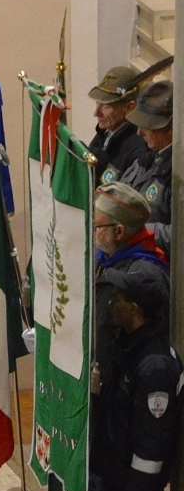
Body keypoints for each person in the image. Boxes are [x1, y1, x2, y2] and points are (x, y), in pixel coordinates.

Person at [89, 261, 182, 491]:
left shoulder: (155, 366)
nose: (111, 303)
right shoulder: (128, 346)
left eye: (118, 299)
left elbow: (153, 441)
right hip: (113, 480)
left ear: (134, 309)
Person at [92, 181, 167, 373]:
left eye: (97, 226)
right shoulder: (103, 258)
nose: (93, 232)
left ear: (119, 231)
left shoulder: (144, 274)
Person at [120, 80, 173, 258]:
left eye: (147, 126)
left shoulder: (178, 172)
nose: (139, 132)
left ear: (171, 129)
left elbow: (179, 235)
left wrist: (140, 231)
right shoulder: (146, 159)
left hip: (158, 267)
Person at [87, 66, 150, 184]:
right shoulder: (106, 132)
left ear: (129, 108)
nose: (96, 113)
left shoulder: (138, 151)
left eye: (106, 106)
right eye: (97, 103)